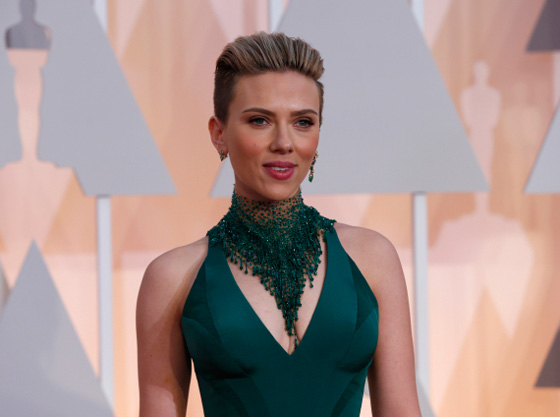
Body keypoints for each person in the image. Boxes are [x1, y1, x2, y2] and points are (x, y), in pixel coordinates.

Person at [137, 32, 421, 417]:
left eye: (303, 122)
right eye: (260, 120)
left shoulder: (373, 259)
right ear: (219, 134)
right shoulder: (172, 278)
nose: (284, 142)